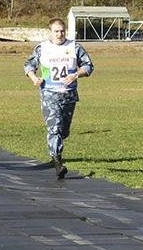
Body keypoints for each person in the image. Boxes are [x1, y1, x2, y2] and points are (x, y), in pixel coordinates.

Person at [24, 18, 94, 179]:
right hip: (49, 93)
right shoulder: (42, 48)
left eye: (62, 31)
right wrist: (34, 78)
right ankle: (57, 162)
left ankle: (56, 150)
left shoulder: (74, 47)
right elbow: (28, 65)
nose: (59, 34)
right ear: (51, 32)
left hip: (69, 95)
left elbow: (88, 66)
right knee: (54, 128)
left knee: (63, 130)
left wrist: (76, 74)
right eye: (56, 31)